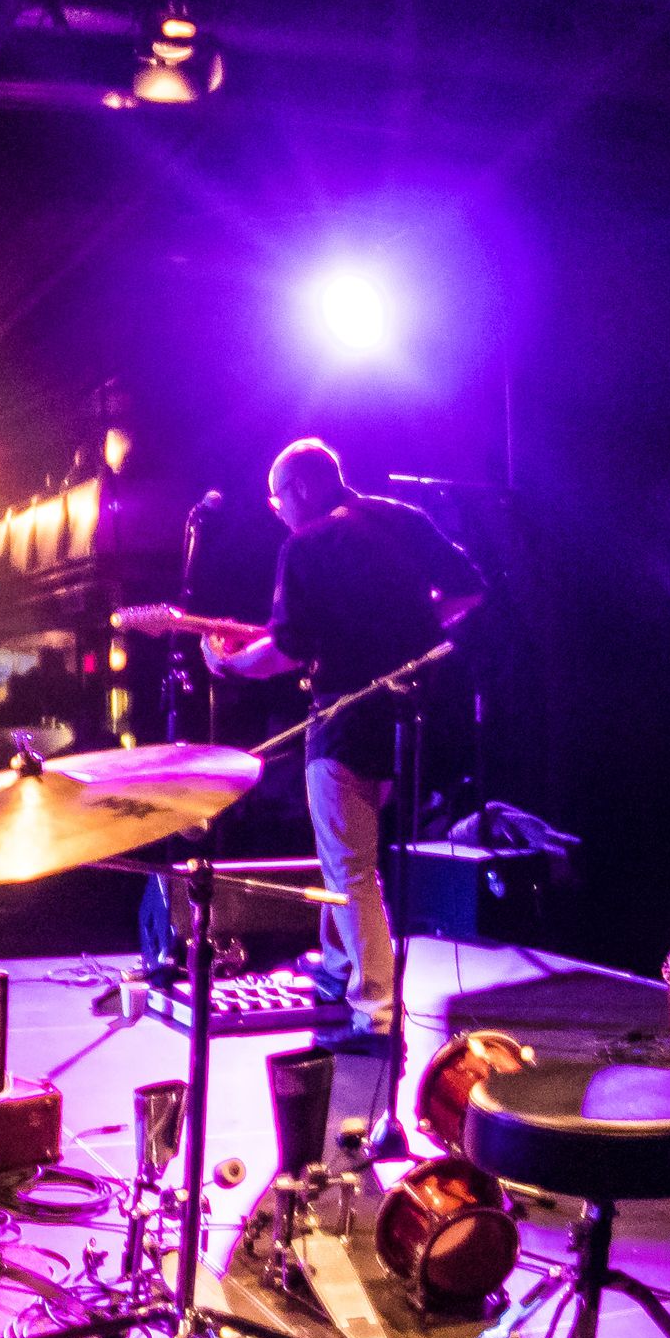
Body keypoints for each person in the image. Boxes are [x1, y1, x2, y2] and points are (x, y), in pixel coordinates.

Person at [198, 439, 482, 1043]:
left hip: (343, 721)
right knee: (345, 852)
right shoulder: (400, 517)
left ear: (301, 488)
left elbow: (288, 650)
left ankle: (374, 1010)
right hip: (407, 718)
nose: (277, 510)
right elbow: (468, 589)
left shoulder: (306, 544)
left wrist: (228, 667)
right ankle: (335, 967)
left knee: (353, 867)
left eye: (278, 498)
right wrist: (413, 633)